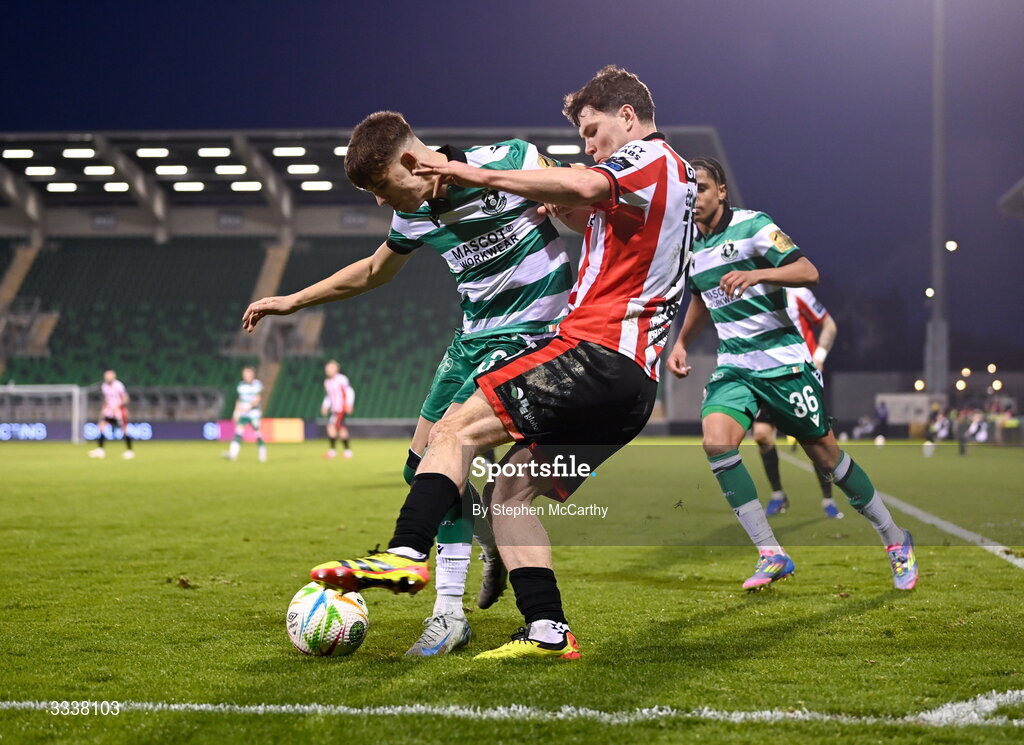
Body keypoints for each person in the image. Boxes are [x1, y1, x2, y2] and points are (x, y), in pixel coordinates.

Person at [304, 66, 698, 660]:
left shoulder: (654, 159)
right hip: (629, 389)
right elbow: (589, 209)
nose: (589, 147)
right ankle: (548, 631)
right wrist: (548, 201)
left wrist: (470, 171)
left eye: (593, 132)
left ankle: (406, 553)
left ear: (627, 115)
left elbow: (588, 186)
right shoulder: (674, 182)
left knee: (453, 432)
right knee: (508, 493)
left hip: (597, 354)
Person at [242, 111, 574, 655]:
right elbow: (374, 271)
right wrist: (292, 301)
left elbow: (580, 196)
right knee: (420, 470)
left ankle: (448, 611)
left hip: (536, 333)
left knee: (460, 454)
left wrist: (565, 200)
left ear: (411, 162)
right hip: (472, 340)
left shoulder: (508, 161)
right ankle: (482, 543)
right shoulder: (414, 214)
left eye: (379, 186)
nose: (378, 201)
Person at [666, 157, 918, 593]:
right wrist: (682, 343)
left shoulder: (754, 226)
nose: (696, 196)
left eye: (703, 187)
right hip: (735, 367)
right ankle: (771, 552)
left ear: (722, 191)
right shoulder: (689, 245)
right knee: (716, 440)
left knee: (828, 459)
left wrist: (757, 272)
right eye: (690, 189)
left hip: (784, 364)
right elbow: (703, 299)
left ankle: (895, 540)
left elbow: (808, 271)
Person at [756, 286, 844, 519]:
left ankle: (828, 501)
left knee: (815, 443)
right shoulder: (753, 293)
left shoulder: (798, 292)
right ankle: (778, 496)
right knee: (762, 435)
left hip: (800, 377)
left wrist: (819, 357)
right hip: (767, 376)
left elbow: (829, 325)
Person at [88, 369, 134, 459]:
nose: (107, 378)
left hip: (118, 411)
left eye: (108, 376)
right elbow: (106, 399)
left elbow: (126, 398)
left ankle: (129, 450)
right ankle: (101, 450)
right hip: (109, 411)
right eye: (106, 376)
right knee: (101, 426)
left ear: (113, 376)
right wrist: (103, 410)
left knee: (124, 430)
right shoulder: (104, 386)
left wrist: (117, 406)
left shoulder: (118, 385)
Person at [225, 366, 266, 462]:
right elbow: (239, 399)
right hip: (244, 413)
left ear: (252, 375)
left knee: (257, 433)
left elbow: (257, 398)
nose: (246, 376)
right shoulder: (241, 385)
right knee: (238, 431)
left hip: (254, 412)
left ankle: (262, 452)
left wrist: (249, 406)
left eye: (248, 374)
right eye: (245, 374)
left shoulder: (257, 384)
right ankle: (233, 454)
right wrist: (236, 411)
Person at [321, 360, 355, 459]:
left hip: (341, 409)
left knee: (331, 428)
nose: (328, 370)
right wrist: (325, 406)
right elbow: (329, 396)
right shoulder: (327, 382)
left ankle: (333, 452)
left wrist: (349, 404)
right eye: (327, 368)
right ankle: (347, 452)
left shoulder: (342, 379)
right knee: (340, 430)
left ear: (336, 369)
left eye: (330, 368)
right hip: (334, 409)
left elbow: (349, 391)